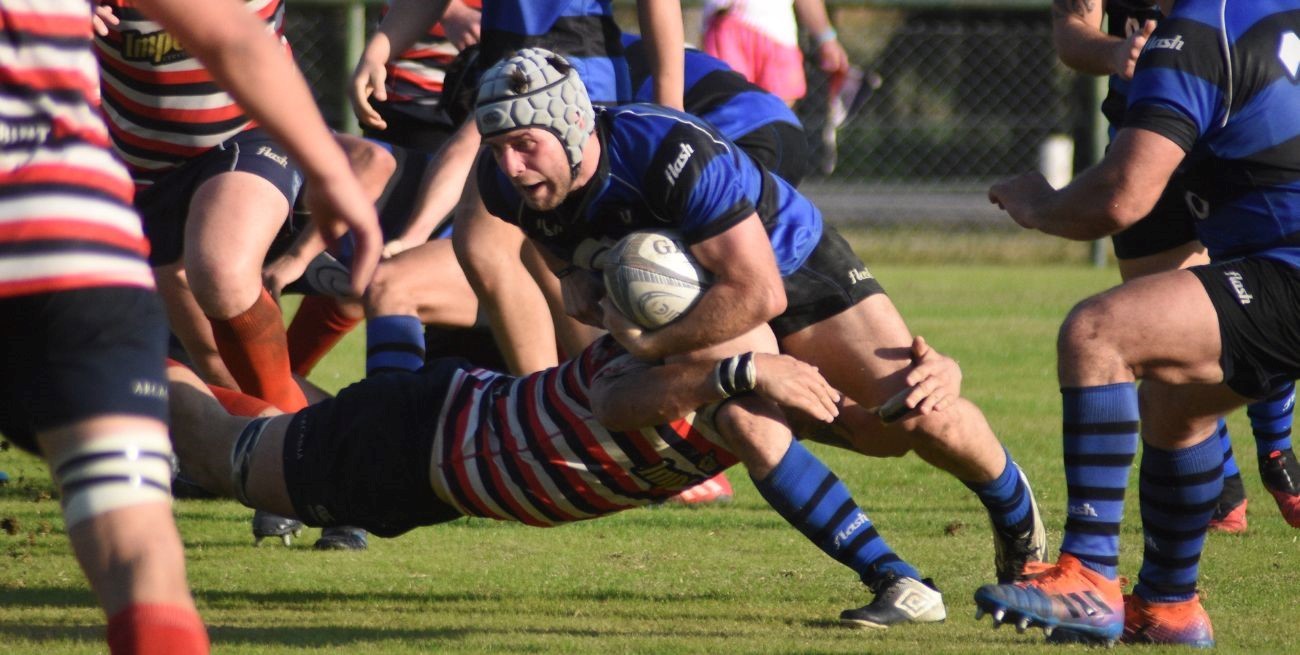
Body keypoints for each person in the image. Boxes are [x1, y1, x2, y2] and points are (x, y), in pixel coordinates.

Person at [470, 48, 1048, 585]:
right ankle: (895, 581)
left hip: (788, 265)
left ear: (574, 124)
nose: (511, 165)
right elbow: (542, 230)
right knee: (737, 416)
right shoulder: (502, 183)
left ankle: (1015, 514)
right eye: (497, 147)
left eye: (525, 144)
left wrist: (649, 346)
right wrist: (569, 271)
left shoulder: (668, 153)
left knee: (911, 419)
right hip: (697, 297)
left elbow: (759, 293)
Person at [167, 315, 968, 628]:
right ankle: (126, 342)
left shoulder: (762, 383)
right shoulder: (667, 370)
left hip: (442, 459)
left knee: (252, 434)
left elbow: (872, 433)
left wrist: (931, 388)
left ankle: (145, 355)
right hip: (414, 436)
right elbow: (626, 404)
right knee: (221, 454)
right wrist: (741, 372)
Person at [0, 0, 379, 652]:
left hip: (205, 155)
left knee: (222, 272)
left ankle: (308, 468)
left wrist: (324, 166)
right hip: (111, 193)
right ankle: (303, 461)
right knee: (200, 390)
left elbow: (235, 36)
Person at [973, 0, 1300, 645]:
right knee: (1175, 405)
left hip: (1285, 271)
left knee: (1098, 333)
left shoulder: (1197, 34)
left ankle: (1089, 575)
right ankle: (1169, 606)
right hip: (1274, 262)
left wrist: (1041, 206)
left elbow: (1121, 198)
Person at [1051, 0, 1299, 535]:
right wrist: (1117, 52)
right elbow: (1070, 31)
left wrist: (1040, 208)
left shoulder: (1218, 23)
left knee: (1257, 284)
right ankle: (1221, 489)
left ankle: (1277, 452)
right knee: (1164, 338)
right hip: (1145, 139)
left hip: (1229, 124)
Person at [699, 0, 849, 108]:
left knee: (777, 119)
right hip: (727, 26)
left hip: (779, 34)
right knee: (730, 112)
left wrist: (826, 39)